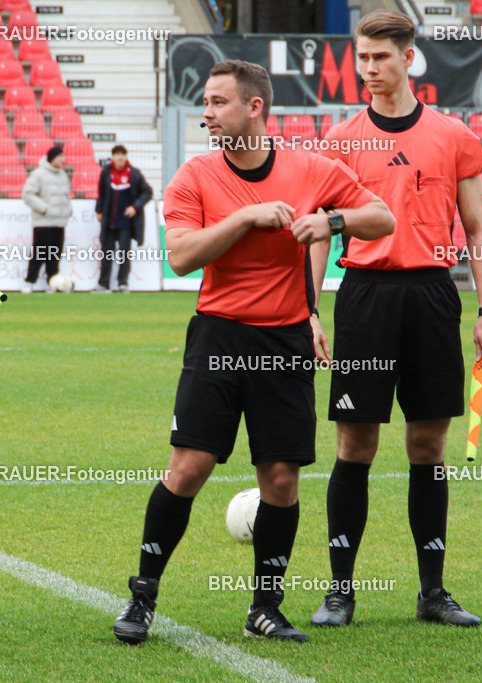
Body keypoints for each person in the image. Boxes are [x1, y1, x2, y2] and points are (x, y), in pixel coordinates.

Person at [112, 59, 394, 645]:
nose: (207, 115)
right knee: (188, 468)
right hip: (218, 336)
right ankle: (143, 597)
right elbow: (182, 256)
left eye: (217, 103)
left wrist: (331, 220)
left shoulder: (312, 167)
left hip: (286, 341)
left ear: (254, 107)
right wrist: (245, 216)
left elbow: (382, 218)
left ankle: (266, 607)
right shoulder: (194, 175)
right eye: (206, 104)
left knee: (282, 478)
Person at [309, 10, 482, 629]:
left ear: (409, 59)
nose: (369, 69)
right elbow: (316, 235)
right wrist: (308, 309)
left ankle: (433, 592)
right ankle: (340, 592)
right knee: (354, 443)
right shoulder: (338, 140)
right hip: (364, 295)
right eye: (362, 58)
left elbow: (476, 230)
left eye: (381, 58)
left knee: (427, 443)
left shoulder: (453, 136)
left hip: (431, 295)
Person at [94, 145, 153, 293]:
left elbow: (147, 192)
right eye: (117, 154)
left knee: (124, 254)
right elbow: (101, 193)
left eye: (122, 154)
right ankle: (103, 284)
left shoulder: (134, 173)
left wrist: (135, 207)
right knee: (107, 253)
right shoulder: (106, 172)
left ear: (126, 156)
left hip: (126, 223)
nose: (120, 157)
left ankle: (122, 283)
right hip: (109, 221)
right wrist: (99, 210)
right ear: (112, 157)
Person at [21, 145, 73, 293]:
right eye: (60, 156)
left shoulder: (63, 175)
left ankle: (53, 283)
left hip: (59, 222)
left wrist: (68, 210)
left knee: (55, 255)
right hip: (43, 223)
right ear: (52, 158)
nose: (63, 159)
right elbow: (27, 194)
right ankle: (29, 282)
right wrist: (45, 209)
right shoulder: (38, 174)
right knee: (39, 253)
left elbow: (65, 196)